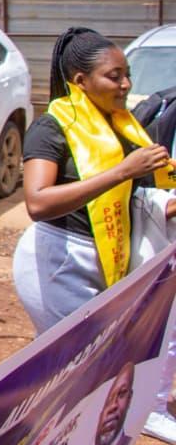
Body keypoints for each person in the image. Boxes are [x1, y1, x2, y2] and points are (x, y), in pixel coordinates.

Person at [13, 27, 175, 335]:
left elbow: (142, 192)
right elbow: (37, 202)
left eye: (128, 75)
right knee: (78, 359)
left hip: (111, 254)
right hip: (62, 259)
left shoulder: (123, 128)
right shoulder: (51, 128)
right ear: (81, 82)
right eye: (114, 77)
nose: (126, 85)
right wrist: (121, 172)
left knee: (108, 359)